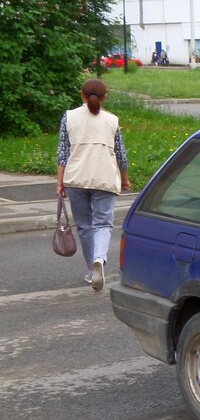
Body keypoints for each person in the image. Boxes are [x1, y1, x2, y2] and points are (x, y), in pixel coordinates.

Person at [56, 78, 130, 291]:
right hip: (104, 178)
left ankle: (91, 269)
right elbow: (121, 155)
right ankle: (100, 258)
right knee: (103, 223)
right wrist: (124, 178)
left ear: (82, 95)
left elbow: (62, 153)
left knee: (84, 226)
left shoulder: (68, 118)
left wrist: (60, 182)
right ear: (104, 97)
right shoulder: (112, 120)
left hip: (76, 178)